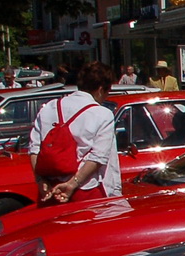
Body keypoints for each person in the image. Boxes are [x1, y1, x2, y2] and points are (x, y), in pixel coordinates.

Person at [29, 60, 120, 205]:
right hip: (85, 189)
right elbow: (98, 157)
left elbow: (34, 149)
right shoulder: (102, 114)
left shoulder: (49, 107)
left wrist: (40, 180)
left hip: (49, 189)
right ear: (101, 89)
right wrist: (72, 183)